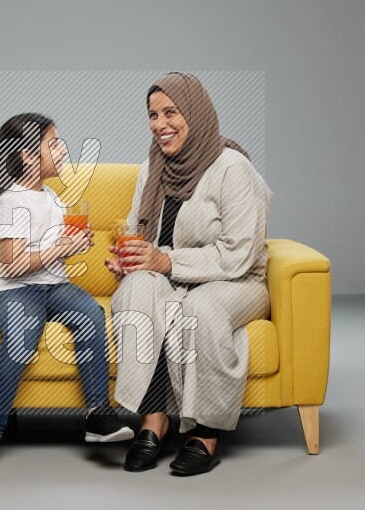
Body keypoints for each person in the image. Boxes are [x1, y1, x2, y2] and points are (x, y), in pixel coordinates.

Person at [105, 73, 273, 476]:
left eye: (170, 112)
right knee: (137, 289)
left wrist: (164, 262)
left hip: (236, 281)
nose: (160, 124)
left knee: (199, 308)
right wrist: (130, 261)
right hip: (175, 277)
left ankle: (205, 432)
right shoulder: (153, 168)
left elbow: (239, 253)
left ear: (194, 114)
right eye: (152, 115)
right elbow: (136, 230)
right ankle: (153, 418)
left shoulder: (233, 169)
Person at [0, 113, 133, 472]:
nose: (62, 149)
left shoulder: (52, 198)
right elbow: (12, 264)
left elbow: (49, 253)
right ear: (27, 155)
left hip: (53, 286)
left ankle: (98, 416)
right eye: (53, 143)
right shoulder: (11, 201)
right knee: (21, 340)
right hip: (15, 290)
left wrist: (72, 244)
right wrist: (61, 249)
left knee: (90, 314)